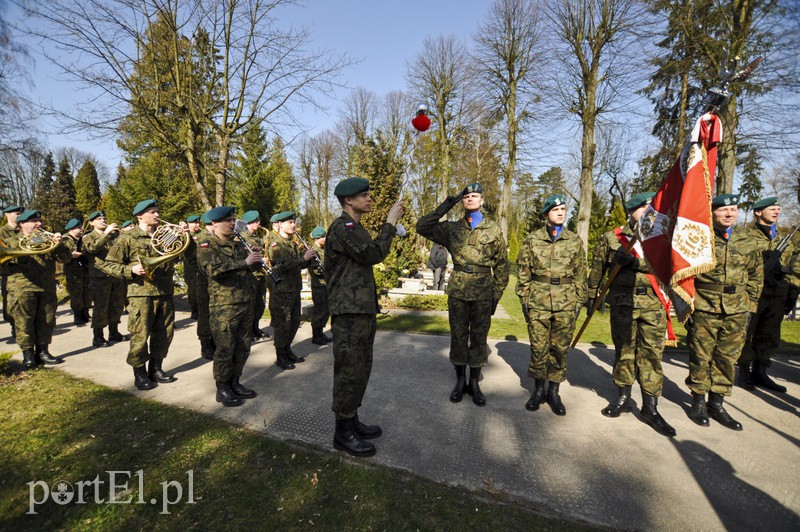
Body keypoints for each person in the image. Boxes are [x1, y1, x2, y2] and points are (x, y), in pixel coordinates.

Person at [326, 177, 403, 457]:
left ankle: (352, 421)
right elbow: (374, 253)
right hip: (349, 313)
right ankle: (342, 432)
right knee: (349, 371)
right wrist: (390, 222)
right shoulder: (343, 227)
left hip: (360, 310)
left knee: (360, 369)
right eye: (364, 195)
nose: (369, 199)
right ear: (349, 200)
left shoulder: (354, 227)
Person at [588, 192, 676, 437]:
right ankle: (623, 398)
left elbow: (669, 266)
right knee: (624, 351)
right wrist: (592, 295)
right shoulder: (612, 237)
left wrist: (636, 264)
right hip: (623, 302)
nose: (649, 213)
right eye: (644, 208)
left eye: (651, 208)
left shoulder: (662, 238)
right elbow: (598, 269)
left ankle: (650, 408)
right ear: (632, 211)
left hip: (653, 303)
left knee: (651, 356)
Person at [417, 183, 509, 406]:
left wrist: (495, 296)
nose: (470, 199)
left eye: (474, 195)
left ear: (482, 201)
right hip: (458, 290)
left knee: (479, 337)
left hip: (483, 291)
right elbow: (422, 226)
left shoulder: (494, 229)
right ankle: (460, 381)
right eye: (466, 196)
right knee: (458, 336)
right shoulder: (452, 229)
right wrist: (447, 204)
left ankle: (474, 383)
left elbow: (502, 267)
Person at [687, 194, 761, 431]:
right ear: (713, 213)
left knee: (727, 358)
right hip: (705, 305)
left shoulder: (747, 241)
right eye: (723, 210)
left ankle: (717, 403)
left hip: (737, 309)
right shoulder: (698, 239)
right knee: (701, 355)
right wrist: (688, 306)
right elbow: (685, 274)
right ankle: (698, 401)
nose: (729, 214)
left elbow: (756, 276)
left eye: (733, 209)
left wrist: (750, 305)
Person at [516, 194, 587, 416]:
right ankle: (538, 391)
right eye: (556, 210)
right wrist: (524, 298)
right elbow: (524, 272)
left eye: (564, 209)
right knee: (539, 348)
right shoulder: (532, 239)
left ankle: (554, 392)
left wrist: (578, 302)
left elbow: (580, 274)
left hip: (566, 302)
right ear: (547, 213)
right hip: (538, 300)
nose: (561, 213)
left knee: (560, 349)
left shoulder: (574, 240)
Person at [103, 199, 184, 391]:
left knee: (165, 333)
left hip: (164, 291)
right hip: (140, 294)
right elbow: (109, 265)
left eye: (157, 211)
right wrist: (131, 270)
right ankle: (139, 373)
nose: (157, 214)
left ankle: (156, 369)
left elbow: (180, 254)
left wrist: (184, 239)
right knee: (140, 335)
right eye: (153, 212)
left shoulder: (165, 236)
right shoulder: (127, 238)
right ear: (140, 216)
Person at [196, 206, 263, 407]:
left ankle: (235, 382)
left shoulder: (238, 244)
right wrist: (245, 262)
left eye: (233, 220)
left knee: (243, 347)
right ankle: (222, 388)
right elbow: (213, 270)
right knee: (225, 349)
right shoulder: (207, 245)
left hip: (245, 302)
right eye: (227, 220)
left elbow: (251, 268)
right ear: (214, 223)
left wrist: (256, 259)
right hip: (224, 306)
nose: (232, 224)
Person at [737, 196, 793, 393]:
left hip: (777, 292)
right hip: (753, 293)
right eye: (772, 208)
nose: (777, 211)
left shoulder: (783, 238)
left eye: (778, 208)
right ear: (758, 212)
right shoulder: (744, 236)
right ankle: (743, 371)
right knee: (747, 333)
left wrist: (791, 288)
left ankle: (760, 372)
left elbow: (792, 266)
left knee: (769, 334)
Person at [5, 210, 71, 368]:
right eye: (34, 221)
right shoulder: (12, 241)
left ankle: (43, 352)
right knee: (24, 322)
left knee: (47, 320)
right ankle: (28, 355)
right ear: (22, 224)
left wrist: (59, 244)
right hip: (22, 288)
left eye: (40, 221)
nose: (39, 224)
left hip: (46, 286)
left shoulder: (48, 240)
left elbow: (66, 259)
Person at [266, 210, 315, 370]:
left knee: (294, 321)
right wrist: (303, 258)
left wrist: (309, 259)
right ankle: (280, 356)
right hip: (282, 291)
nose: (294, 225)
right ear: (280, 224)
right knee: (283, 324)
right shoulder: (275, 244)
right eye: (290, 222)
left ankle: (288, 350)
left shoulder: (293, 244)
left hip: (294, 288)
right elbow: (282, 265)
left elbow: (299, 264)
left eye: (294, 222)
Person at [83, 210, 127, 347]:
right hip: (100, 276)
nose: (103, 220)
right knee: (101, 307)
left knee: (116, 305)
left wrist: (121, 235)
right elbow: (92, 249)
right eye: (99, 219)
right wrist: (106, 233)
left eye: (104, 218)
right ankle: (98, 336)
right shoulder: (88, 236)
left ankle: (114, 332)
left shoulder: (114, 236)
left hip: (116, 274)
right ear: (91, 222)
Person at [241, 210, 269, 340]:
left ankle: (256, 328)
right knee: (250, 306)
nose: (259, 223)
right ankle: (248, 331)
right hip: (249, 275)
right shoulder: (240, 238)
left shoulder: (258, 238)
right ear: (249, 223)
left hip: (260, 275)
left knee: (259, 304)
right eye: (256, 221)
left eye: (258, 220)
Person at [0, 205, 25, 339]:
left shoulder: (25, 230)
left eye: (21, 213)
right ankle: (14, 326)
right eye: (16, 213)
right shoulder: (2, 232)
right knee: (10, 305)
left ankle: (21, 330)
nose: (20, 215)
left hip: (27, 273)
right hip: (9, 273)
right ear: (6, 215)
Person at [62, 218, 90, 326]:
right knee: (76, 294)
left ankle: (85, 314)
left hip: (84, 269)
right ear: (71, 229)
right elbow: (63, 255)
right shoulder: (66, 239)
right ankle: (77, 316)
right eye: (78, 228)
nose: (81, 229)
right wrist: (71, 255)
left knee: (86, 292)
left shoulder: (82, 238)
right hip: (73, 270)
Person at [195, 212, 215, 360]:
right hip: (204, 282)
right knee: (205, 314)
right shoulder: (203, 238)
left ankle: (214, 341)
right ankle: (205, 344)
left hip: (215, 283)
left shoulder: (216, 237)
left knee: (214, 314)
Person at [309, 226, 332, 345]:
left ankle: (321, 332)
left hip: (326, 284)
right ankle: (316, 335)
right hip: (319, 285)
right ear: (317, 238)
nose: (325, 238)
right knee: (319, 310)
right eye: (323, 237)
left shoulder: (323, 249)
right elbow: (316, 270)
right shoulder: (313, 251)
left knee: (325, 310)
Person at [183, 214, 202, 320]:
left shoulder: (202, 235)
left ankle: (202, 311)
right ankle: (194, 311)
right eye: (195, 223)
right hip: (190, 268)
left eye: (198, 222)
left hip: (201, 266)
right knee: (193, 291)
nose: (197, 224)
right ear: (188, 224)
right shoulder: (185, 235)